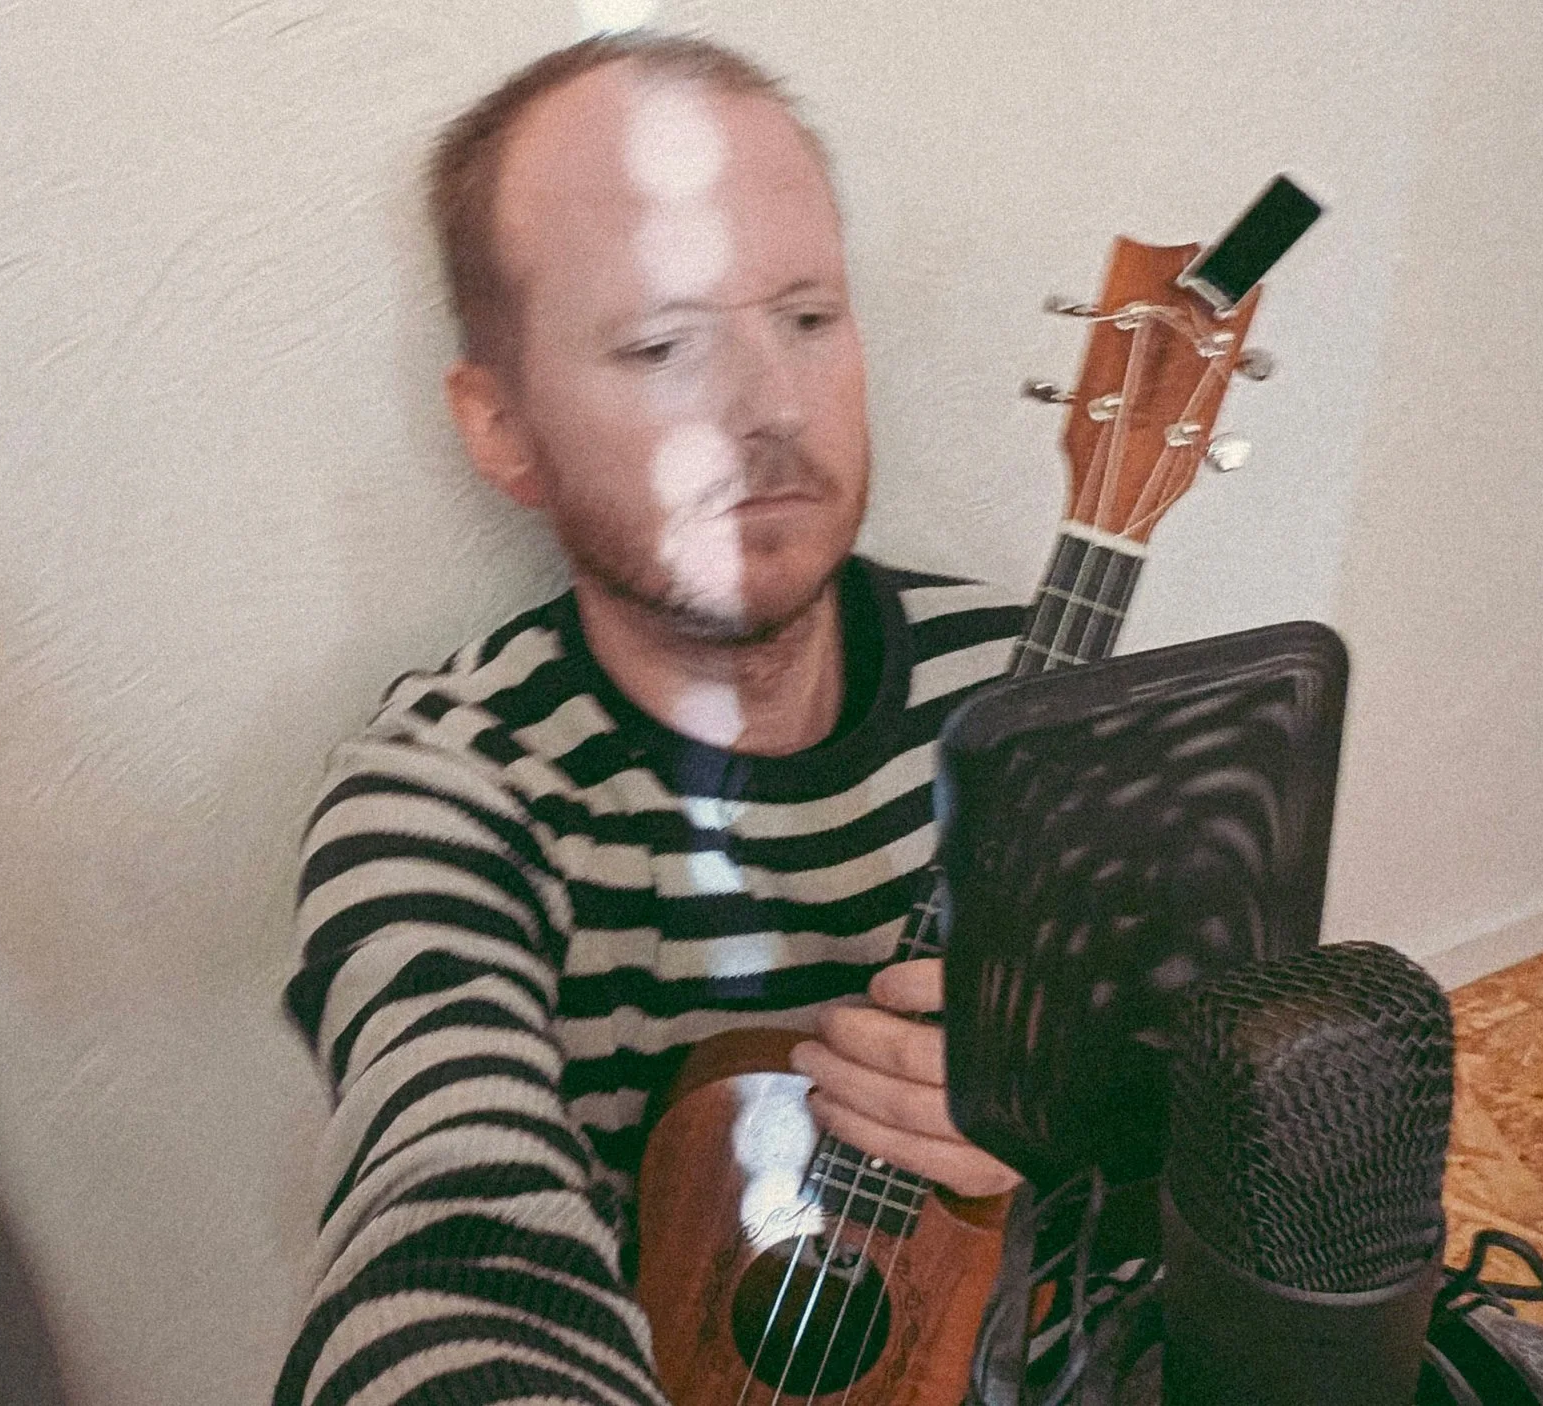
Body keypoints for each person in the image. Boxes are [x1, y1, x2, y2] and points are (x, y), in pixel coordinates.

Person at [278, 31, 1027, 1406]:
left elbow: (1225, 1096)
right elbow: (446, 1233)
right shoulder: (440, 794)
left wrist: (1074, 1114)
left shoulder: (1030, 685)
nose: (774, 407)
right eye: (662, 343)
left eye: (808, 318)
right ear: (500, 428)